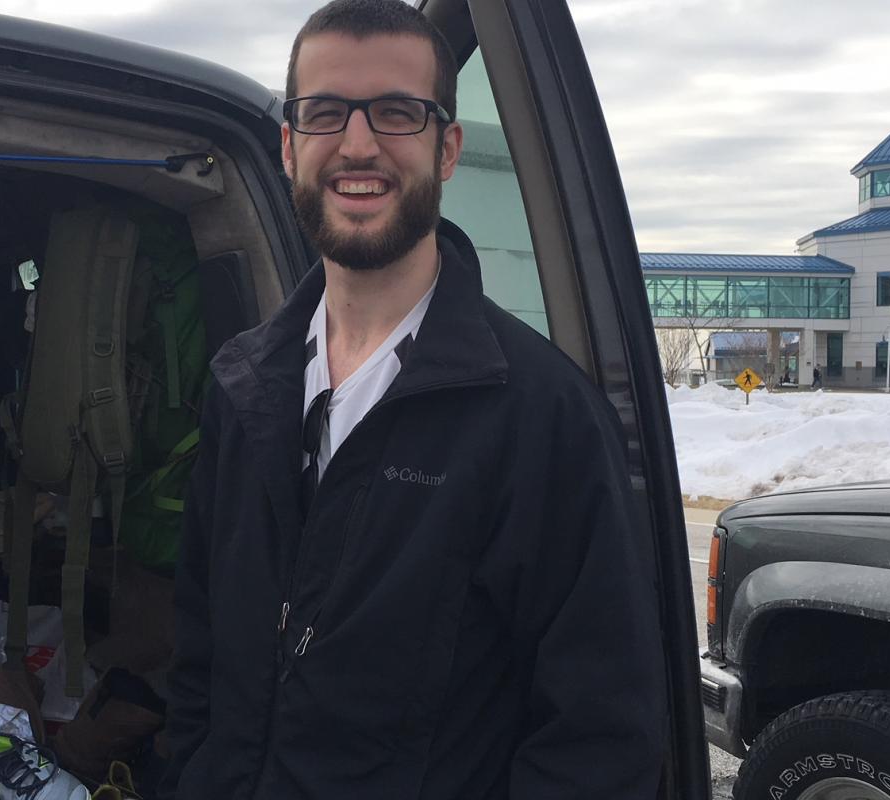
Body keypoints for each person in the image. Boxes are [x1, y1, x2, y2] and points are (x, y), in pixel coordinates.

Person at [160, 1, 667, 797]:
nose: (358, 144)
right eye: (325, 113)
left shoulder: (542, 417)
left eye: (397, 113)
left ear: (448, 147)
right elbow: (200, 661)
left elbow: (599, 744)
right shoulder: (242, 387)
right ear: (290, 147)